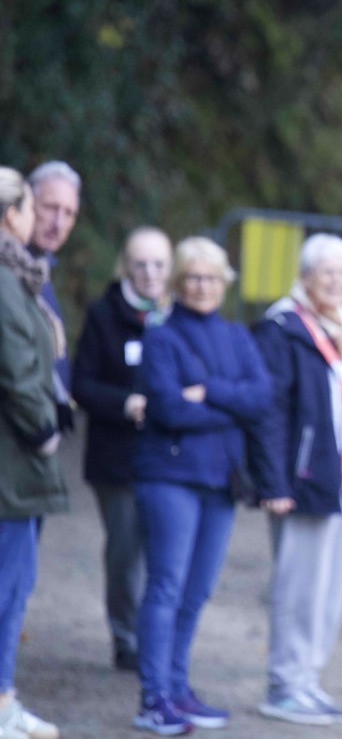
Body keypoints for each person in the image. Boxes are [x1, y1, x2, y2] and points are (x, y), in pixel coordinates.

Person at [247, 233, 342, 727]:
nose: (335, 281)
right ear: (305, 276)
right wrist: (273, 482)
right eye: (326, 271)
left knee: (329, 590)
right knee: (300, 588)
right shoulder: (284, 329)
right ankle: (285, 685)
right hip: (302, 481)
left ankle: (306, 680)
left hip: (340, 480)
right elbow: (267, 412)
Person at [131, 236, 272, 736]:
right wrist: (231, 408)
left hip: (221, 481)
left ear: (224, 283)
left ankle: (177, 686)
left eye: (211, 277)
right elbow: (168, 408)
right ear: (177, 282)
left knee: (197, 590)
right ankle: (154, 697)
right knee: (166, 586)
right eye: (192, 276)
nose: (202, 286)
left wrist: (209, 392)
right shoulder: (161, 338)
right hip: (169, 477)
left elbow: (262, 397)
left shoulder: (237, 336)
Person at [71, 227, 173, 673]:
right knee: (126, 554)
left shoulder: (178, 315)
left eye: (159, 264)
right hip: (118, 459)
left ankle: (160, 637)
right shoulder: (103, 315)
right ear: (126, 267)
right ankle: (127, 638)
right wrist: (124, 403)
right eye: (141, 264)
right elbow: (82, 384)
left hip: (169, 457)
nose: (150, 273)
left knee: (166, 553)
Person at [0, 168, 68, 739]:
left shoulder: (15, 275)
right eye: (31, 207)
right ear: (11, 214)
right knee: (9, 585)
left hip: (13, 464)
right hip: (11, 465)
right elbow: (18, 369)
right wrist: (44, 431)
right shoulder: (4, 281)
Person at [26, 161, 81, 430]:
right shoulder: (12, 269)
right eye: (51, 207)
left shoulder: (41, 268)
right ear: (26, 204)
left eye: (69, 213)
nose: (58, 223)